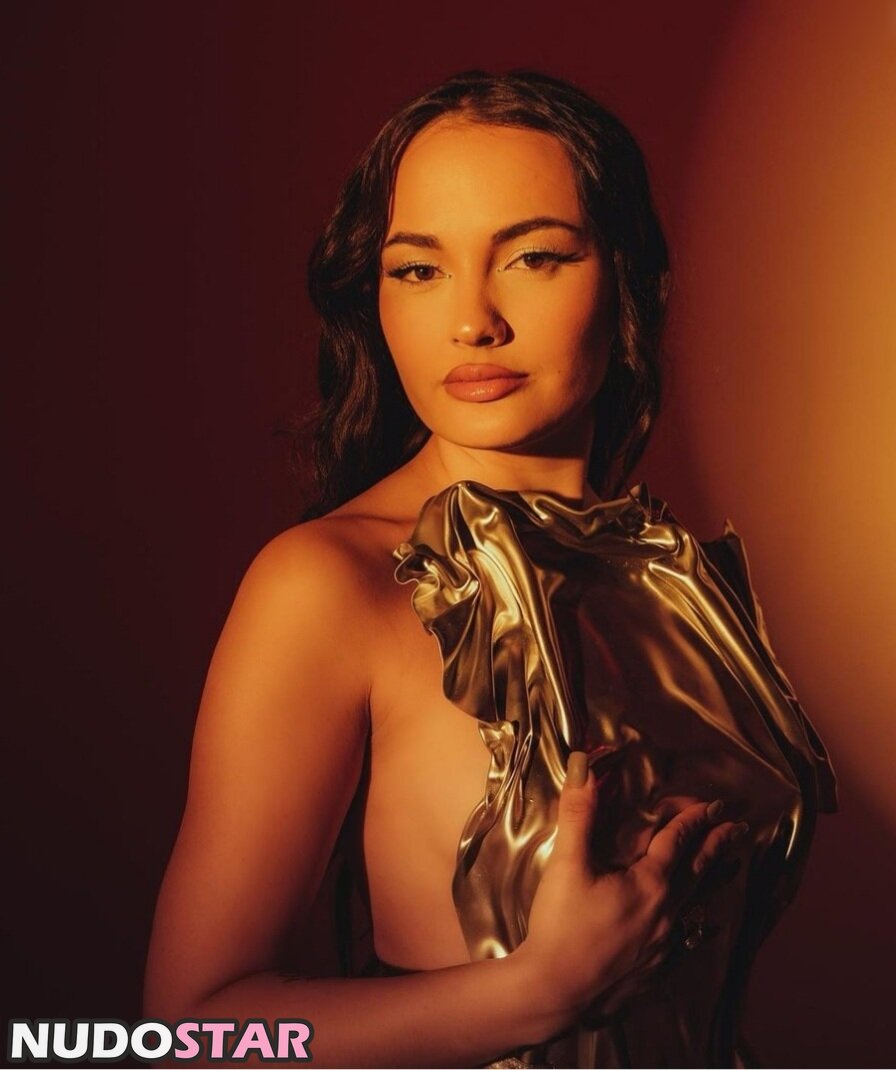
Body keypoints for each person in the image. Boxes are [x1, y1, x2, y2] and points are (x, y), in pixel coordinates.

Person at [143, 69, 837, 1068]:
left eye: (533, 257)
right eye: (418, 269)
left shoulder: (678, 573)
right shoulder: (329, 584)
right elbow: (190, 1030)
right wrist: (540, 992)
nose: (471, 320)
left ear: (628, 275)